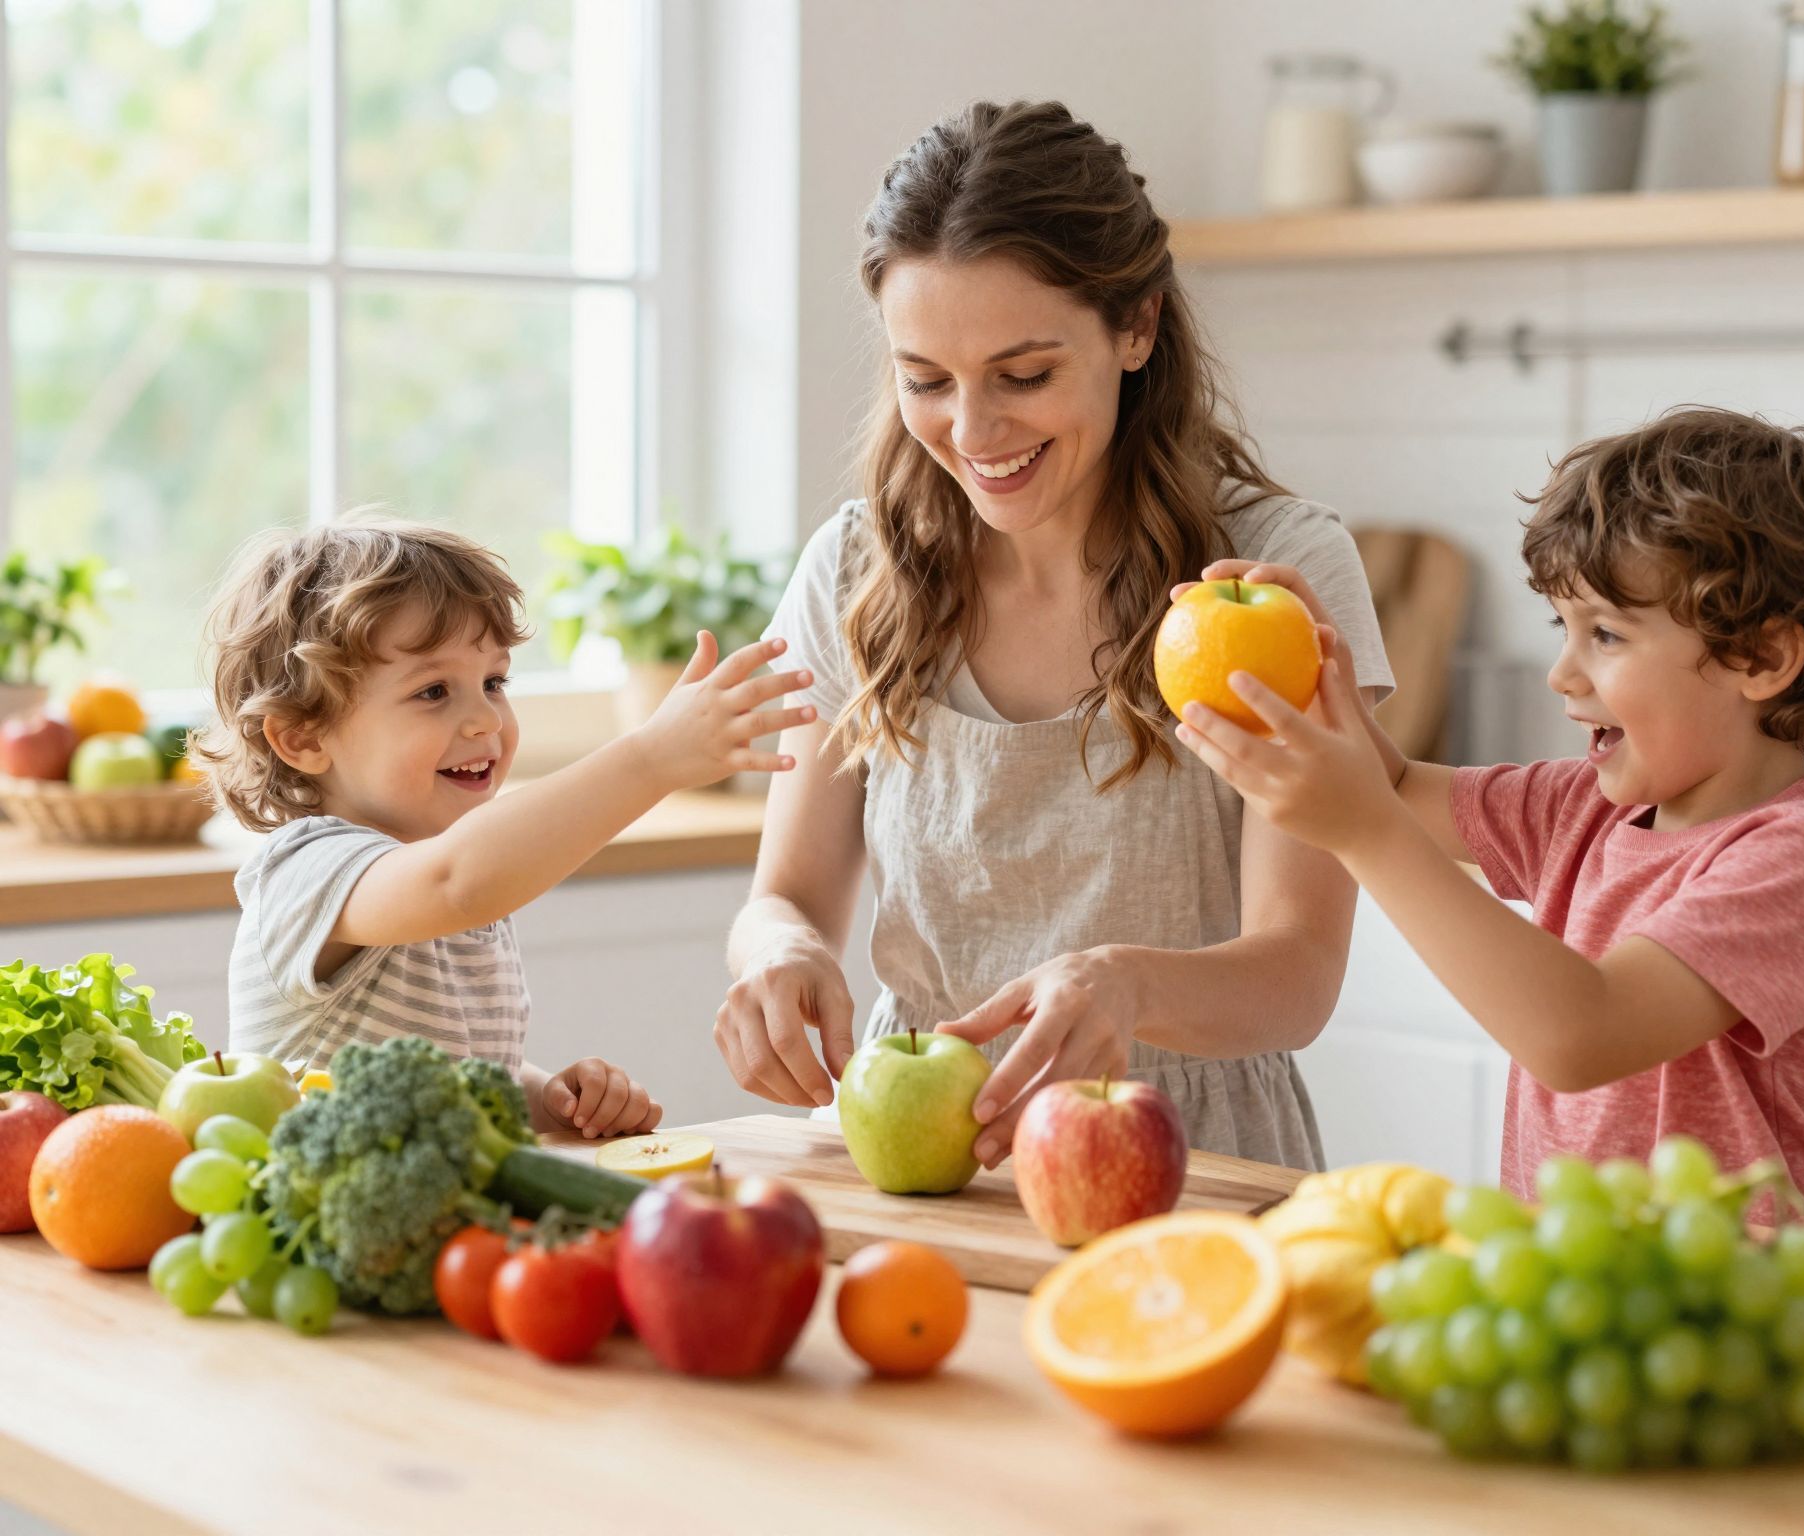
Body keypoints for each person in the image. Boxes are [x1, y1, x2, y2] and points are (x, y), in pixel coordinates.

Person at [719, 100, 1394, 1171]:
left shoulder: (1273, 573)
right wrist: (779, 951)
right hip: (920, 1152)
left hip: (1186, 1154)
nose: (973, 434)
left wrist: (1124, 985)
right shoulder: (857, 570)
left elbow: (1297, 972)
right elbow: (786, 894)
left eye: (1023, 376)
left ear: (1136, 327)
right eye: (924, 382)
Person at [1177, 408, 1804, 1230]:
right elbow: (1397, 781)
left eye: (1607, 635)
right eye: (1565, 627)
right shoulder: (1584, 807)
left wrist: (1365, 831)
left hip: (1737, 1318)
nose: (1562, 673)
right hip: (1577, 1294)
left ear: (1763, 659)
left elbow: (1580, 1035)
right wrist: (1302, 663)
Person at [201, 517, 811, 1137]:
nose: (485, 720)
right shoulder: (304, 870)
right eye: (434, 691)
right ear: (302, 737)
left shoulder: (458, 879)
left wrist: (552, 1101)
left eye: (494, 682)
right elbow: (456, 880)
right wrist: (650, 758)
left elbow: (468, 1074)